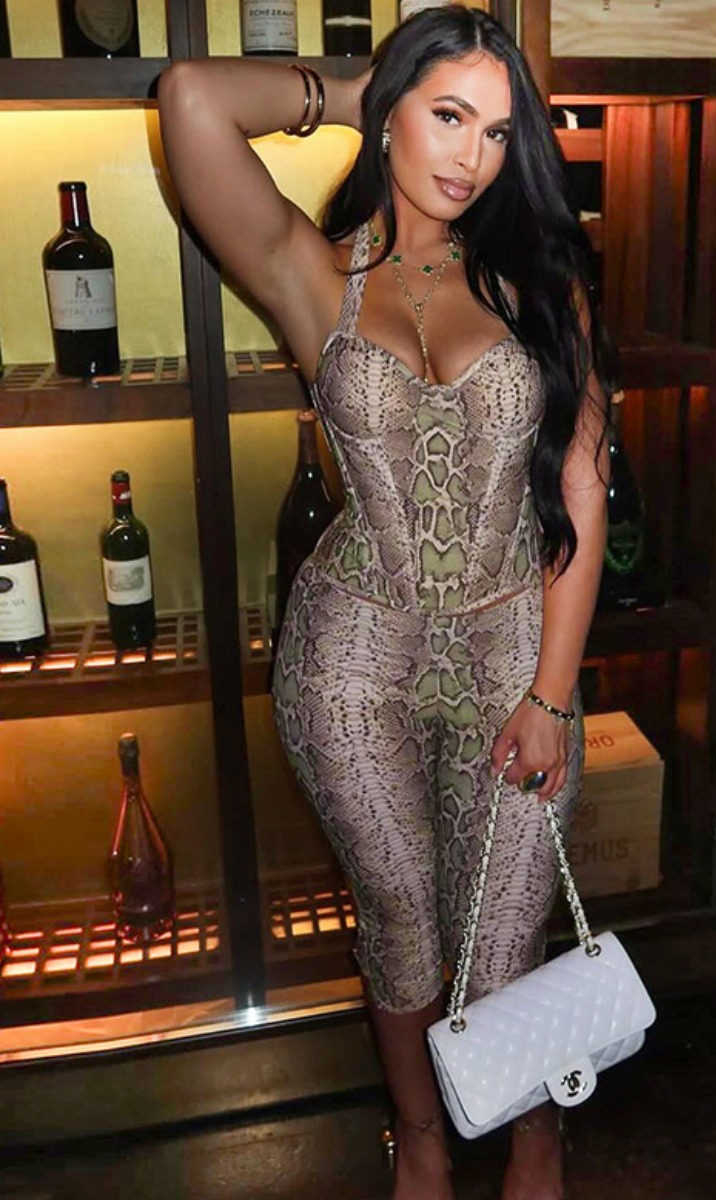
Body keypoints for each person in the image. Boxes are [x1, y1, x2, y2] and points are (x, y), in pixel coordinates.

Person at [159, 7, 613, 1198]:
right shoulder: (311, 272)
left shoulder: (539, 280)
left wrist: (552, 695)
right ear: (394, 109)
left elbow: (581, 486)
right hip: (353, 655)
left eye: (498, 132)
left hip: (516, 640)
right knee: (402, 917)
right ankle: (419, 1136)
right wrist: (363, 88)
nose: (472, 155)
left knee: (504, 928)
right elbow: (193, 99)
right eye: (448, 114)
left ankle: (534, 1129)